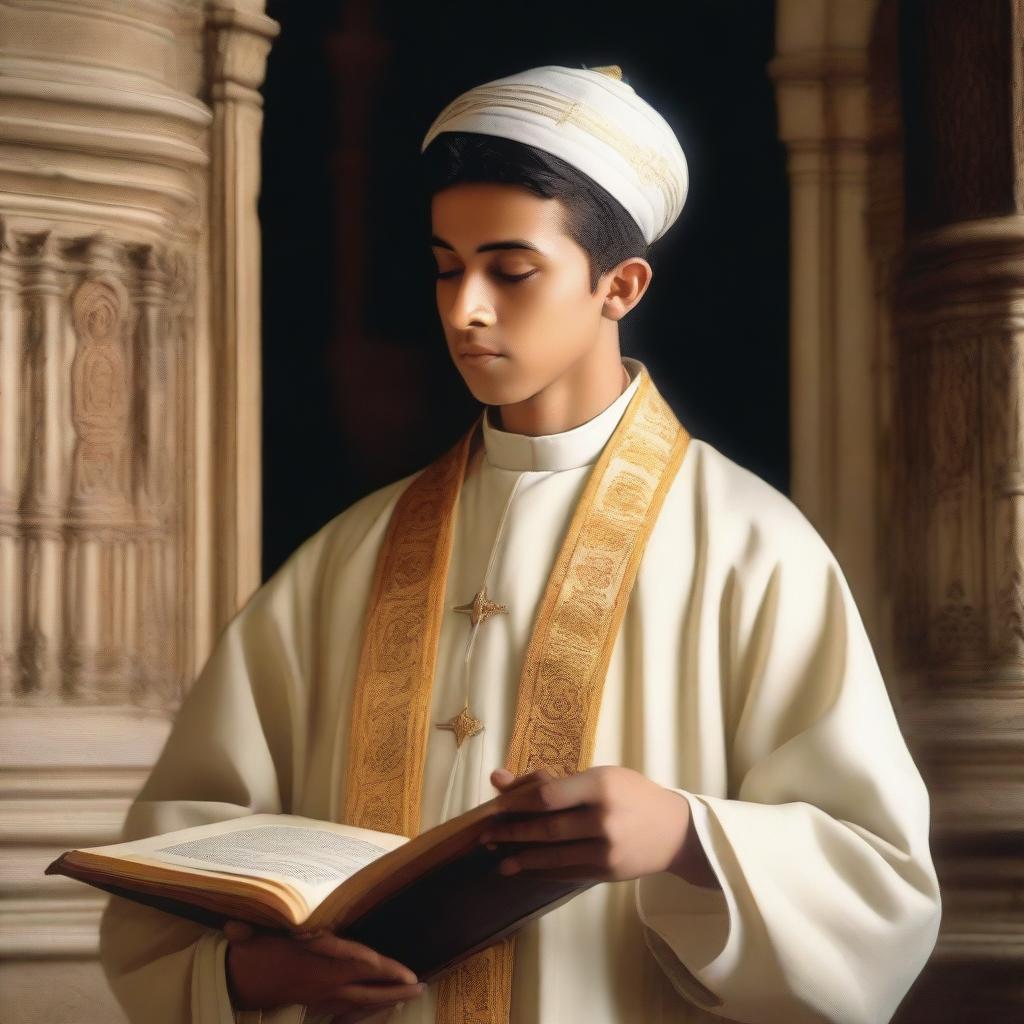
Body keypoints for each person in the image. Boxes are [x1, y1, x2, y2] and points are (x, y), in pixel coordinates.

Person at [99, 64, 941, 1024]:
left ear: (619, 285)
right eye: (447, 266)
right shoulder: (347, 558)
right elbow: (181, 849)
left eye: (512, 269)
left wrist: (687, 836)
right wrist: (242, 977)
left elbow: (882, 887)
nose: (465, 309)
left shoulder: (754, 550)